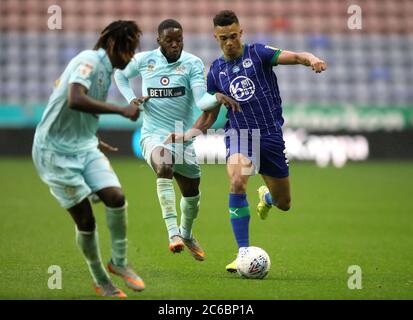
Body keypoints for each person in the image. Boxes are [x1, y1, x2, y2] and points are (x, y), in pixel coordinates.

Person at [169, 10, 327, 272]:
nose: (229, 42)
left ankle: (267, 198)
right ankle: (242, 252)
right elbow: (209, 116)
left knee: (284, 203)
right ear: (215, 38)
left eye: (233, 36)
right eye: (223, 38)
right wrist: (187, 135)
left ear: (240, 33)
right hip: (241, 135)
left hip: (271, 136)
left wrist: (312, 59)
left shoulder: (259, 53)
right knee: (237, 180)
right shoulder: (216, 72)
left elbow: (297, 56)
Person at [32, 20, 148, 297]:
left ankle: (118, 263)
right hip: (54, 153)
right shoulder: (88, 60)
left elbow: (78, 110)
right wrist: (120, 111)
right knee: (85, 220)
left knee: (116, 197)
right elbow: (74, 99)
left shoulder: (106, 70)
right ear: (111, 44)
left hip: (83, 146)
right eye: (128, 49)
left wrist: (92, 137)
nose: (130, 56)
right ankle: (100, 280)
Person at [114, 19, 239, 261]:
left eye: (179, 40)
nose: (175, 44)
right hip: (153, 135)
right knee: (164, 165)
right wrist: (131, 98)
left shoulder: (192, 63)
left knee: (192, 193)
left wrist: (217, 98)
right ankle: (173, 234)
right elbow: (120, 75)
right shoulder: (144, 60)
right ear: (158, 41)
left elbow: (201, 100)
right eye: (169, 40)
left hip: (182, 137)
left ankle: (187, 233)